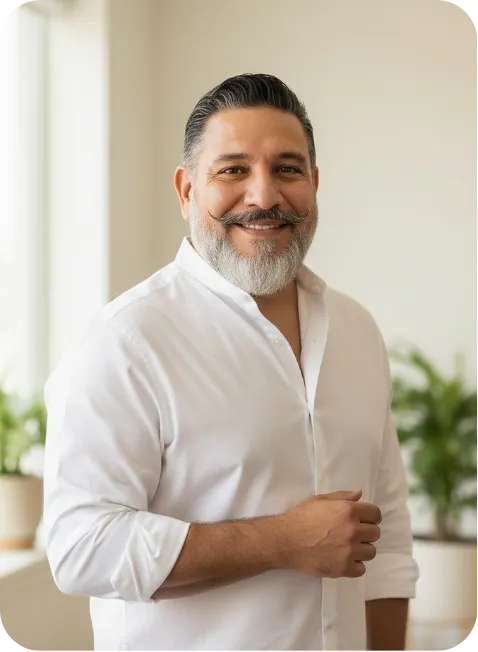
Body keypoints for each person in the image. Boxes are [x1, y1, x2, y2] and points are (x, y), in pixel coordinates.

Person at [42, 73, 419, 652]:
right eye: (233, 170)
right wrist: (283, 541)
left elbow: (387, 541)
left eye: (287, 169)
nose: (264, 196)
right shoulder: (125, 340)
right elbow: (80, 547)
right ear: (186, 190)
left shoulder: (356, 330)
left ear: (315, 184)